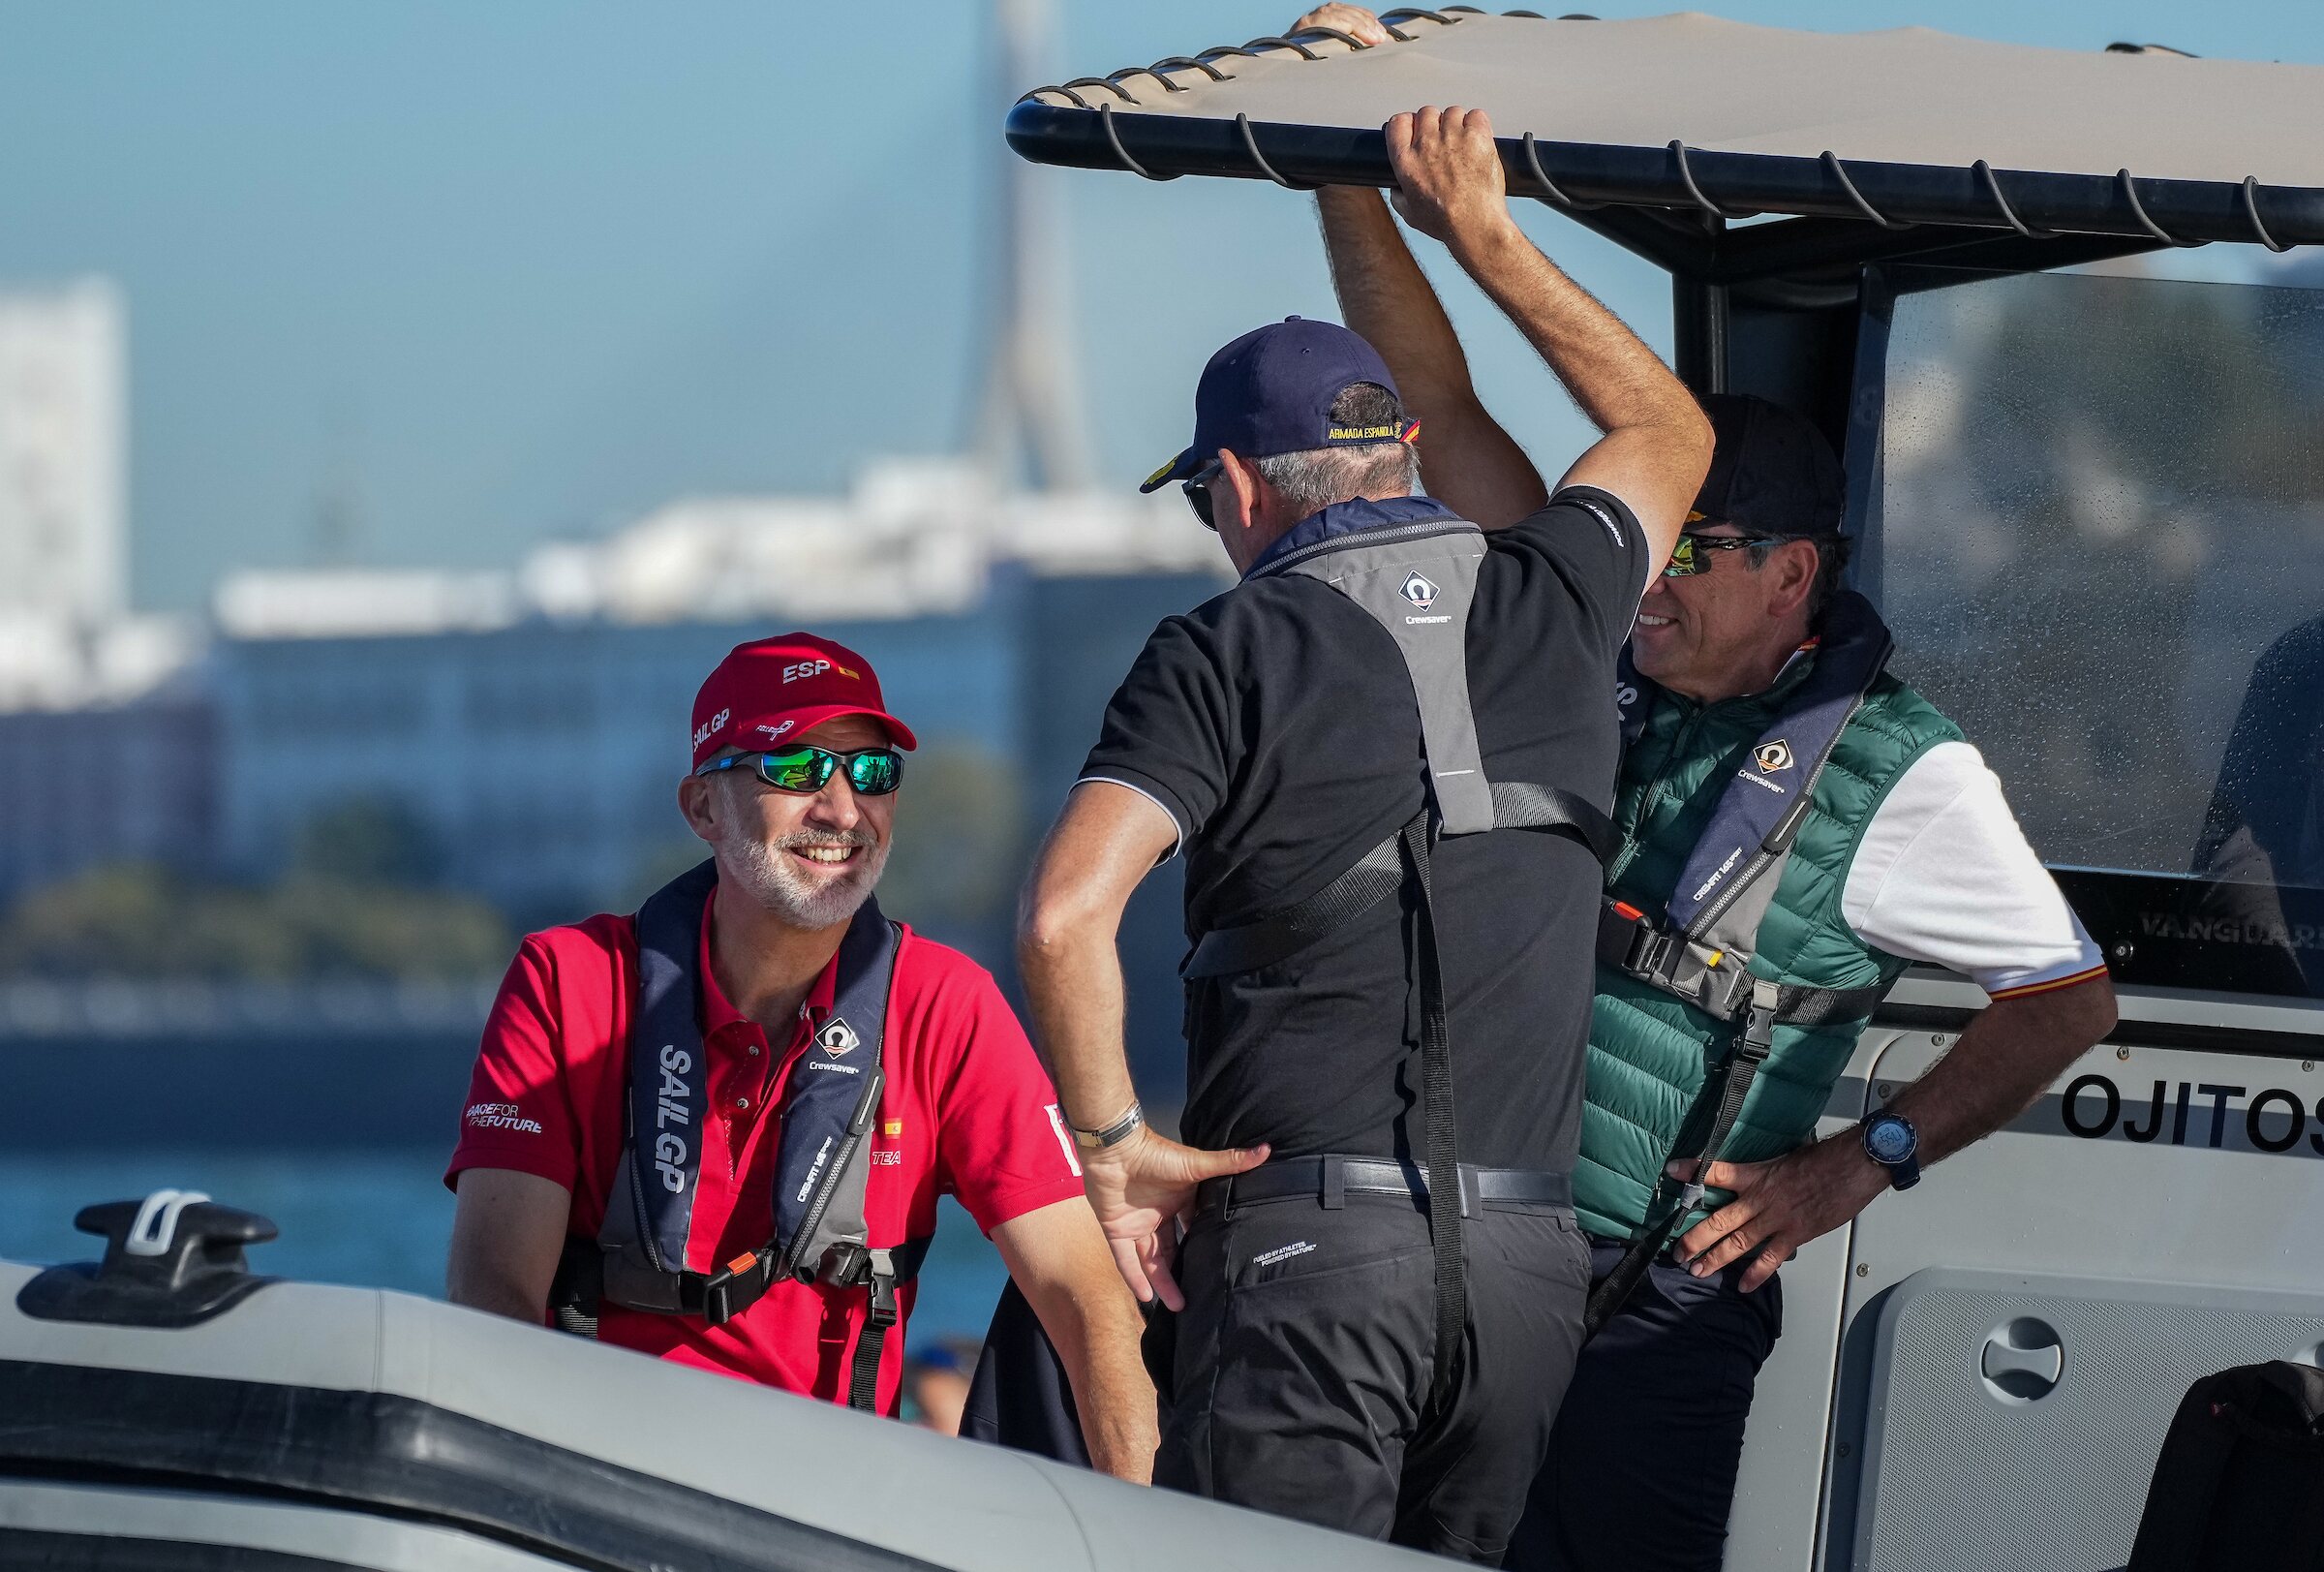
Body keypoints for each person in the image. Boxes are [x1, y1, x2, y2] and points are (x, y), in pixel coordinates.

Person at [1288, 35, 2118, 1554]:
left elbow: (2065, 1000)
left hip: (1649, 1313)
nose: (1649, 576)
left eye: (1696, 549)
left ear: (1794, 574)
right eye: (1650, 540)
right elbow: (1437, 412)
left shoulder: (1907, 772)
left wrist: (1855, 1164)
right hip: (1476, 1254)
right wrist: (1353, 175)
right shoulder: (1589, 631)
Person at [1013, 100, 1712, 1559]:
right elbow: (1662, 425)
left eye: (1207, 492)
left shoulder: (1219, 649)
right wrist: (1468, 222)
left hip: (1307, 1261)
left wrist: (1112, 1143)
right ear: (1397, 456)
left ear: (1244, 486)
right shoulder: (1558, 593)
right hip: (1528, 1272)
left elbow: (1069, 914)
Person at [443, 632, 1155, 1481]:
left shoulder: (943, 1003)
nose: (843, 808)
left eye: (873, 772)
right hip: (603, 1485)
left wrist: (1136, 1534)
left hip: (831, 1506)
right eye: (794, 769)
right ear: (704, 807)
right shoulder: (568, 983)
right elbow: (494, 1291)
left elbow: (1085, 1296)